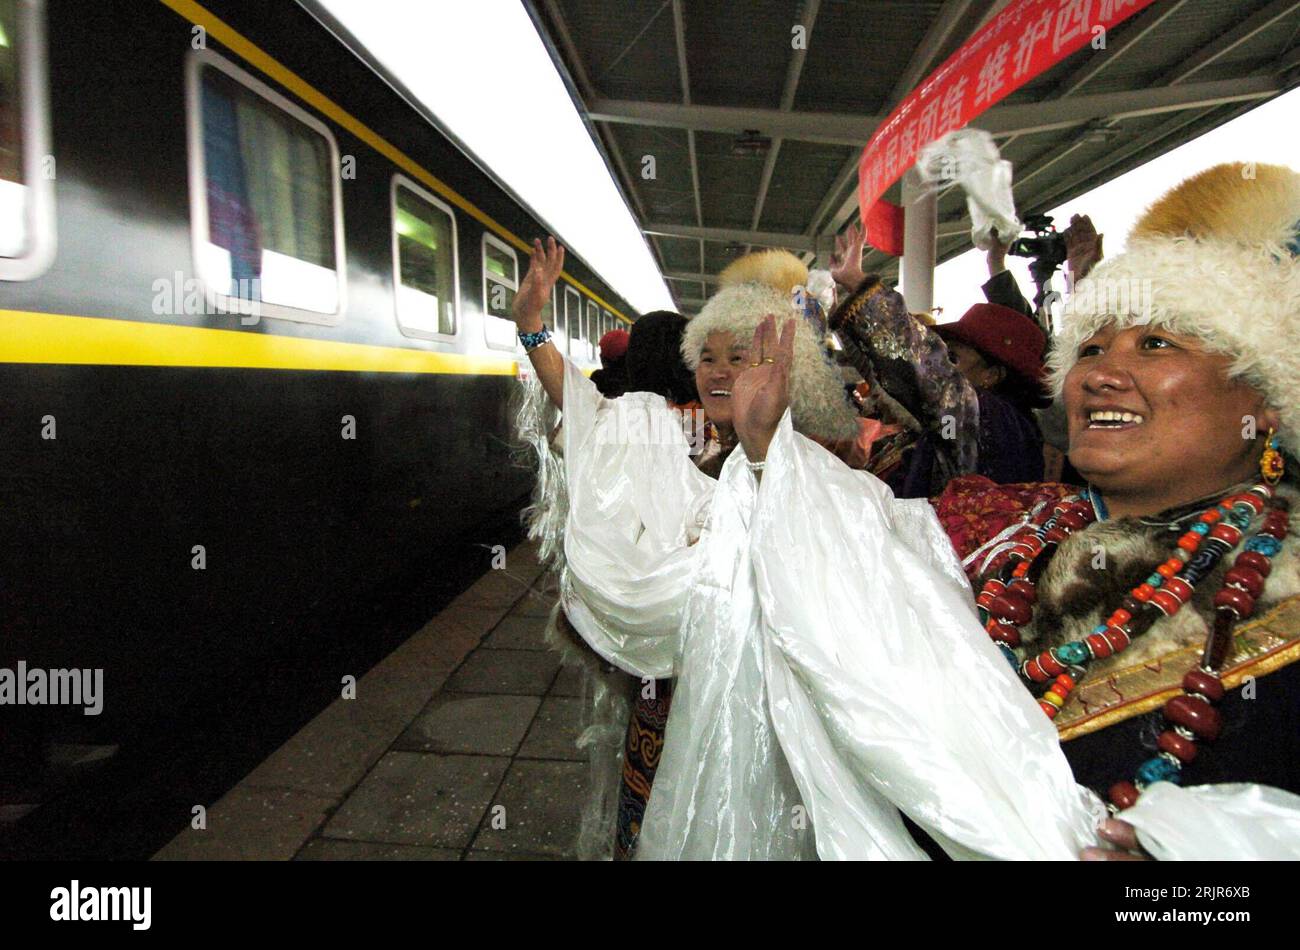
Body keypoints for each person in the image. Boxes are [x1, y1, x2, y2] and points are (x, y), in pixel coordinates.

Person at [590, 328, 629, 398]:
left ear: (605, 358)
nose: (600, 355)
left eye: (602, 351)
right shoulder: (638, 381)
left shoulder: (598, 381)